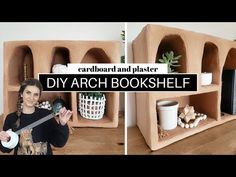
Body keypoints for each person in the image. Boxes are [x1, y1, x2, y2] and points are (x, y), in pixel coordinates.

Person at [0, 78, 73, 155]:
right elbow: (4, 149)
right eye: (28, 93)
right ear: (21, 94)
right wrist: (5, 139)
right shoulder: (11, 118)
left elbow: (59, 143)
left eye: (36, 94)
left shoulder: (46, 115)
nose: (31, 98)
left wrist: (62, 124)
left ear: (38, 97)